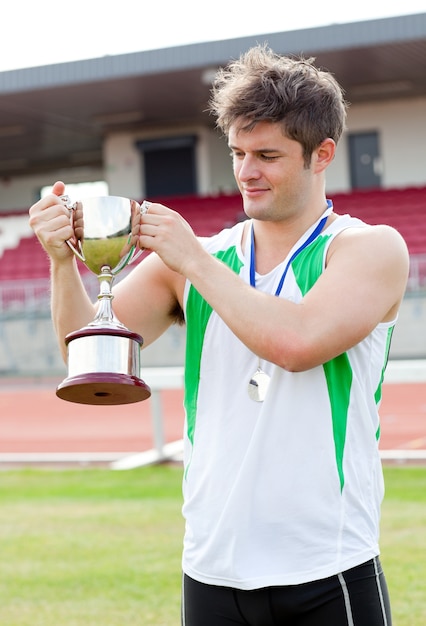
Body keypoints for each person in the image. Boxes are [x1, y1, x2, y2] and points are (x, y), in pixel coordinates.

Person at [29, 45, 409, 625]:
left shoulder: (368, 248)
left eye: (267, 155)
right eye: (236, 152)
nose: (246, 172)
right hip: (211, 569)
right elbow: (82, 353)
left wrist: (194, 261)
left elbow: (297, 345)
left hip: (327, 569)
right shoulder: (195, 259)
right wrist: (61, 261)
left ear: (322, 154)